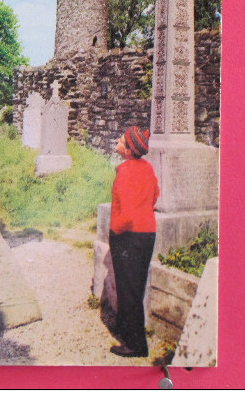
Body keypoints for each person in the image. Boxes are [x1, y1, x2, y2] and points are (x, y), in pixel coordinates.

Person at [109, 125, 159, 358]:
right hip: (147, 232)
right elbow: (155, 195)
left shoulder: (126, 171)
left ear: (128, 150)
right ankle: (126, 328)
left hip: (128, 235)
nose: (117, 142)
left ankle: (135, 344)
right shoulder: (147, 168)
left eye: (120, 141)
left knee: (128, 289)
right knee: (135, 286)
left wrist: (116, 231)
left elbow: (126, 214)